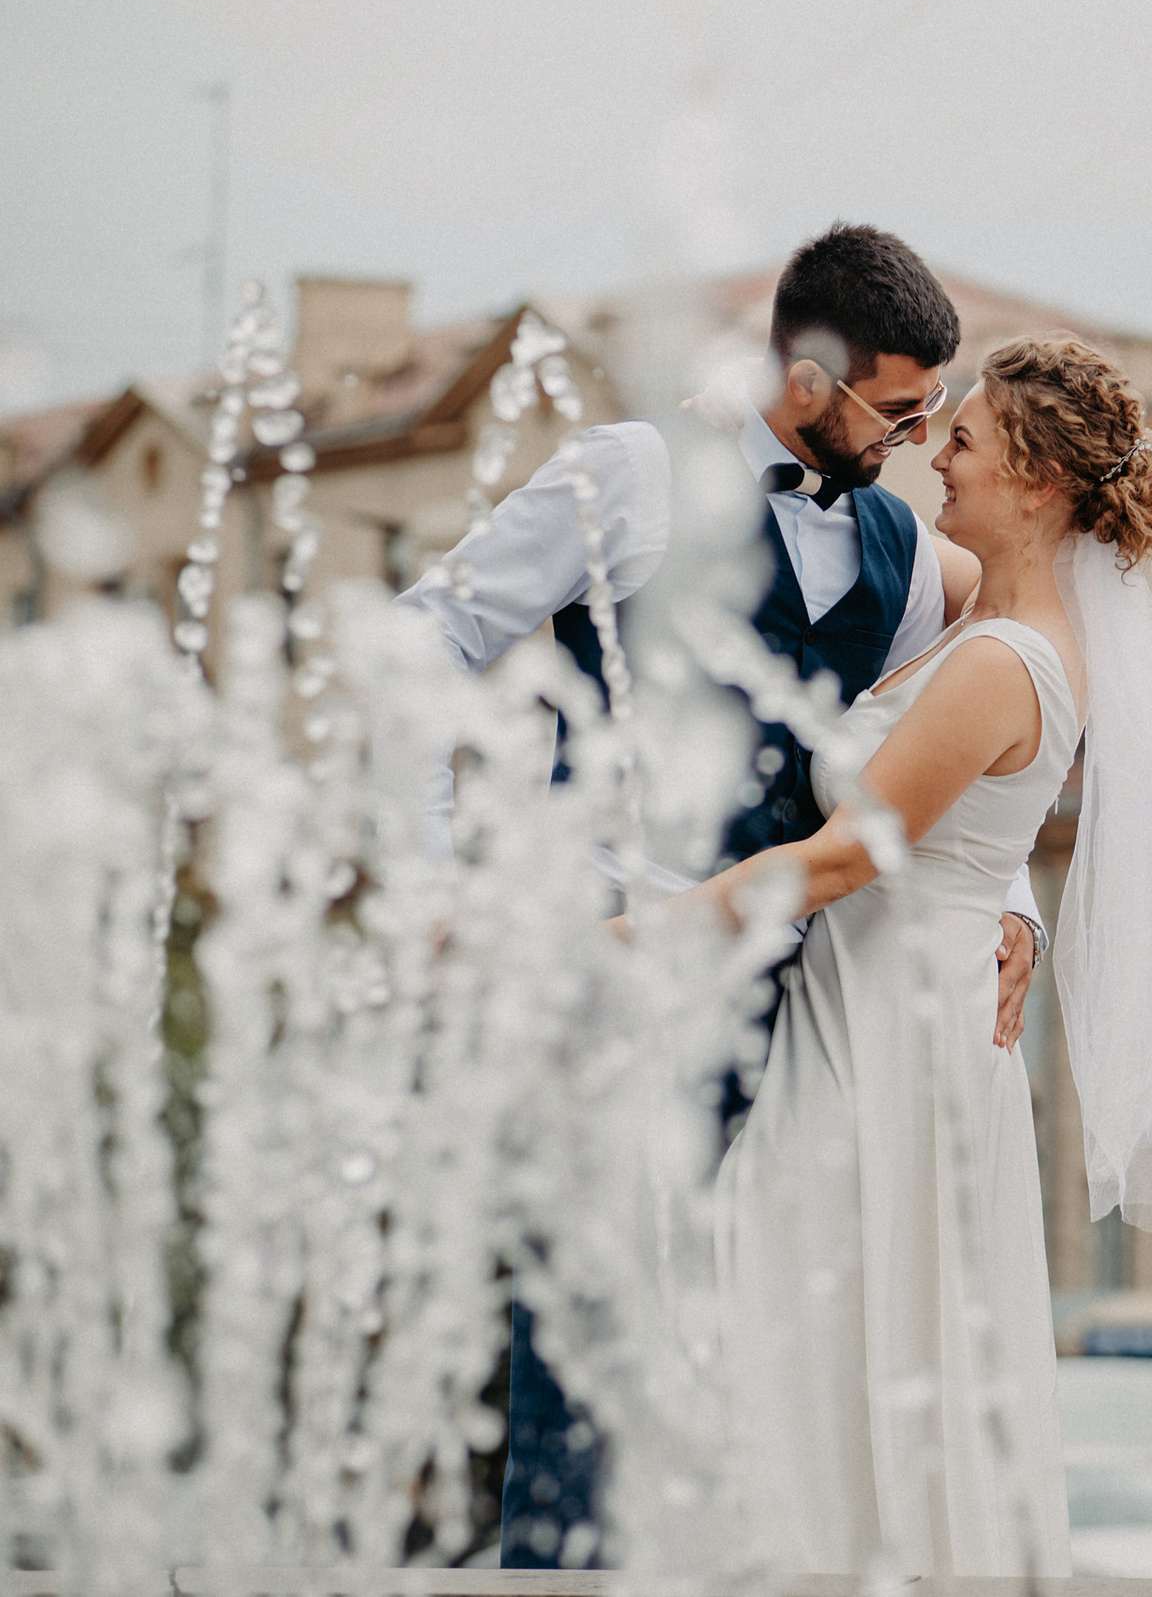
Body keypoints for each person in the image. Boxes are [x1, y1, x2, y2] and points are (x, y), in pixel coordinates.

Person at [398, 225, 1047, 1567]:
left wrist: (1015, 902)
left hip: (801, 1012)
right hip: (604, 978)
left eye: (934, 412)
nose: (916, 441)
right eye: (898, 409)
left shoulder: (902, 549)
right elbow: (427, 631)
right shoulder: (630, 474)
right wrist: (433, 877)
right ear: (808, 378)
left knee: (755, 1371)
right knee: (585, 1363)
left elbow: (946, 755)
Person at [617, 337, 1152, 1575]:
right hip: (890, 1004)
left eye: (961, 440)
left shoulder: (1007, 659)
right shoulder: (991, 605)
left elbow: (840, 860)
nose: (934, 457)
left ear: (1036, 480)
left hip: (894, 1037)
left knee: (799, 1310)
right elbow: (835, 516)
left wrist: (619, 940)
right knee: (826, 1328)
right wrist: (725, 434)